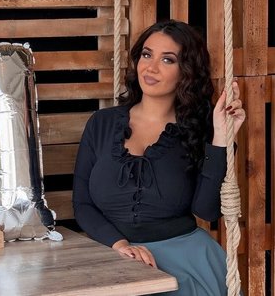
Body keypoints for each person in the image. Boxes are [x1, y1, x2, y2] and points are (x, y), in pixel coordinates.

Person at [72, 19, 246, 295]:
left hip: (189, 262)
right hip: (113, 255)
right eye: (146, 54)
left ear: (186, 71)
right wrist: (120, 244)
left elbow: (206, 211)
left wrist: (222, 139)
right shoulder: (101, 123)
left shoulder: (200, 130)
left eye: (167, 59)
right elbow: (82, 204)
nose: (151, 67)